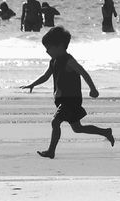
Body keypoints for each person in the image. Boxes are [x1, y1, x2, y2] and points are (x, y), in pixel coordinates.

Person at [21, 26, 114, 158]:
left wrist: (93, 89)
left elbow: (83, 72)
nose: (46, 51)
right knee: (77, 128)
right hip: (63, 100)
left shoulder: (69, 61)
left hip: (70, 100)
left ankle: (51, 151)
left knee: (55, 122)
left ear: (60, 46)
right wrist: (32, 84)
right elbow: (46, 76)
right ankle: (105, 132)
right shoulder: (53, 61)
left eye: (48, 48)